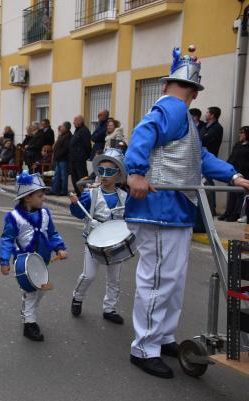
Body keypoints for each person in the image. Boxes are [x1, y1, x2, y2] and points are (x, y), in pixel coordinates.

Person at [124, 46, 249, 379]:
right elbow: (143, 132)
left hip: (176, 211)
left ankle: (162, 337)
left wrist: (235, 176)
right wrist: (135, 171)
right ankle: (144, 347)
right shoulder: (171, 109)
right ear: (193, 92)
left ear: (167, 84)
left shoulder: (182, 118)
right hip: (160, 209)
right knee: (159, 280)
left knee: (172, 280)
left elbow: (202, 159)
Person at [0, 171, 67, 341]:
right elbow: (7, 239)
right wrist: (4, 260)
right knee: (31, 292)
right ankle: (29, 323)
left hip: (42, 261)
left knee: (41, 290)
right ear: (28, 198)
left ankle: (28, 311)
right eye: (40, 195)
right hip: (25, 263)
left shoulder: (44, 214)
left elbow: (52, 233)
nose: (43, 198)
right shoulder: (14, 218)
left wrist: (59, 247)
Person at [69, 148, 128, 324]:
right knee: (88, 275)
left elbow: (129, 219)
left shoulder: (124, 197)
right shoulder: (91, 193)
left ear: (118, 175)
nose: (104, 175)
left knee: (114, 279)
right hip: (93, 241)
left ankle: (109, 309)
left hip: (115, 243)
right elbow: (79, 214)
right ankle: (77, 297)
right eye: (101, 171)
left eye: (109, 171)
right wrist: (75, 205)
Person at [219, 126, 249, 222]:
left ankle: (236, 214)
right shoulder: (237, 144)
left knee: (240, 194)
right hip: (234, 172)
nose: (240, 134)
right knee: (231, 194)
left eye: (242, 132)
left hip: (244, 173)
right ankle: (228, 212)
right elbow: (232, 157)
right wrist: (227, 167)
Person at [200, 106, 224, 215]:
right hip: (200, 158)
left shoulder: (217, 127)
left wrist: (203, 137)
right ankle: (204, 206)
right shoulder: (205, 126)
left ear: (212, 115)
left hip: (209, 158)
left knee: (208, 182)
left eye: (207, 112)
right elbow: (200, 137)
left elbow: (204, 139)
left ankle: (212, 208)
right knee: (202, 182)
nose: (205, 114)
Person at [70, 115, 91, 196]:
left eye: (75, 120)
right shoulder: (77, 130)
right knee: (74, 177)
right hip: (73, 158)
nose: (73, 122)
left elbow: (87, 145)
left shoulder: (84, 131)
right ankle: (78, 193)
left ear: (80, 121)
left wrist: (84, 155)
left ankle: (84, 193)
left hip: (80, 159)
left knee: (81, 177)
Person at [51, 122, 72, 196]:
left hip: (63, 159)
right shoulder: (62, 135)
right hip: (59, 159)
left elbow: (65, 149)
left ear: (66, 128)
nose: (61, 128)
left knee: (63, 176)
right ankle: (54, 190)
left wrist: (58, 154)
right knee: (56, 175)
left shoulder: (68, 136)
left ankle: (63, 191)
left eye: (62, 127)